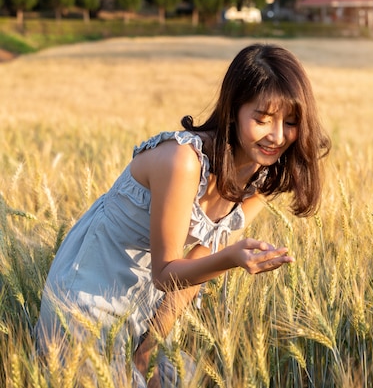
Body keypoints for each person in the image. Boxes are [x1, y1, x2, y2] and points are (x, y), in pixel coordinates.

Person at [35, 43, 331, 386]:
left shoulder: (259, 174)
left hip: (143, 309)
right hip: (87, 299)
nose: (277, 137)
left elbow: (193, 272)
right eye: (262, 120)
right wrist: (233, 258)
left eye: (291, 122)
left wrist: (148, 347)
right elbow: (165, 273)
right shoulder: (182, 161)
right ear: (234, 110)